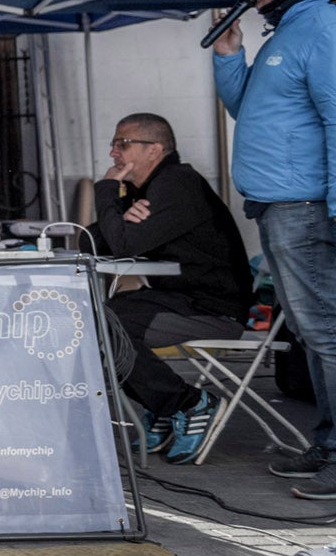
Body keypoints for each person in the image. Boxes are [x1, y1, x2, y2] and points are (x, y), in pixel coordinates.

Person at [213, 0, 336, 500]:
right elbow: (253, 109)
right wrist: (228, 56)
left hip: (304, 208)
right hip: (278, 207)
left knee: (326, 333)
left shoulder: (321, 28)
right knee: (312, 335)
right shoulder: (286, 35)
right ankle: (327, 443)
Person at [89, 113, 248, 463]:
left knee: (103, 325)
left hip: (211, 308)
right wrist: (119, 207)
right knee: (92, 320)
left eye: (123, 143)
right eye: (113, 144)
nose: (113, 153)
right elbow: (93, 243)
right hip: (174, 299)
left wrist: (104, 191)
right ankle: (163, 407)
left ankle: (189, 404)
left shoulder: (177, 184)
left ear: (154, 150)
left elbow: (123, 246)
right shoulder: (143, 189)